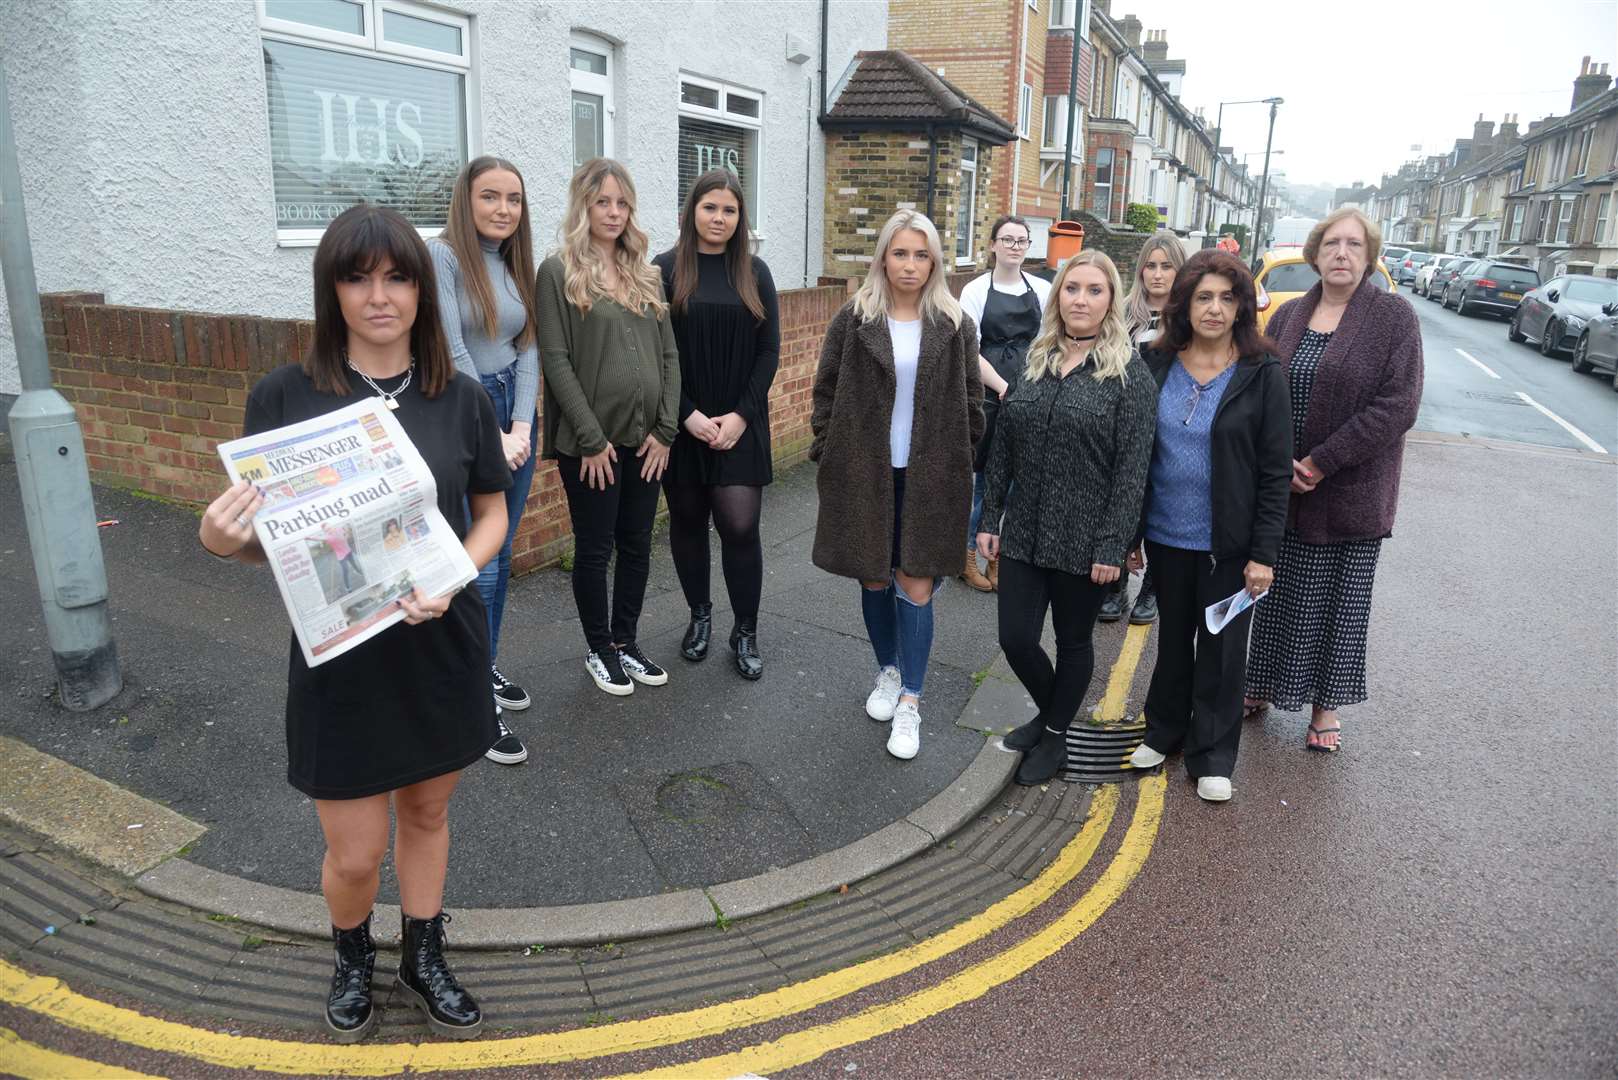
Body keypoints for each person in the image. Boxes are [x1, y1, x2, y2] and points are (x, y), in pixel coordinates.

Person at [198, 204, 508, 1042]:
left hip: (439, 642)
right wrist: (220, 541)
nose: (380, 296)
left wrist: (455, 573)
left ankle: (423, 953)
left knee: (429, 815)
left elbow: (490, 513)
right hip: (341, 660)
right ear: (330, 289)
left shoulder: (462, 397)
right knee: (354, 851)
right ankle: (350, 956)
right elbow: (273, 544)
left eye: (398, 276)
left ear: (422, 290)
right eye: (358, 276)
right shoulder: (286, 397)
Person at [1243, 207, 1423, 752]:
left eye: (1353, 245)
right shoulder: (1289, 314)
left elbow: (1399, 405)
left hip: (1351, 489)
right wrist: (1275, 464)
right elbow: (1261, 387)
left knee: (1338, 602)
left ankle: (1325, 706)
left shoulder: (1393, 317)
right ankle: (1259, 684)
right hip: (1284, 486)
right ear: (1315, 253)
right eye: (1331, 244)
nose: (1341, 254)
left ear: (1369, 257)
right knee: (1276, 592)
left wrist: (1322, 461)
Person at [810, 209, 983, 761]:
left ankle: (911, 698)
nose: (910, 265)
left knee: (916, 584)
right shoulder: (854, 318)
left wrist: (963, 457)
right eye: (900, 252)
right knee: (873, 579)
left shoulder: (955, 324)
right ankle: (888, 670)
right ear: (883, 256)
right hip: (864, 473)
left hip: (932, 475)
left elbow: (972, 403)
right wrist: (826, 451)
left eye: (922, 254)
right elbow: (825, 393)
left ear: (935, 261)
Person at [979, 250, 1157, 786]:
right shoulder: (1036, 361)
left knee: (1074, 642)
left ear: (1111, 300)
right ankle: (1052, 714)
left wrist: (1112, 547)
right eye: (1072, 288)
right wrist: (990, 516)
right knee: (1016, 638)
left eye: (1095, 290)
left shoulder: (1130, 377)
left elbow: (1133, 471)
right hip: (1024, 533)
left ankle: (1054, 736)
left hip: (1086, 543)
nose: (1081, 299)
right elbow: (1003, 446)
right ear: (1058, 298)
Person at [1125, 250, 1293, 803]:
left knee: (1221, 649)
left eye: (1226, 297)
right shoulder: (1155, 362)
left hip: (1230, 545)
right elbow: (1133, 456)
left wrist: (1263, 554)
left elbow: (1274, 473)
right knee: (1172, 642)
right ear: (1185, 304)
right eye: (1203, 297)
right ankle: (1164, 730)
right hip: (1167, 535)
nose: (1214, 309)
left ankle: (1213, 755)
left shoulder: (1262, 373)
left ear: (1242, 305)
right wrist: (1129, 535)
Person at [537, 158, 680, 697]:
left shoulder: (646, 273)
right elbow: (556, 360)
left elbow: (669, 355)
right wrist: (591, 440)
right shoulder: (557, 272)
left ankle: (626, 641)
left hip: (646, 442)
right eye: (603, 202)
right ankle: (599, 649)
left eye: (622, 203)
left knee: (638, 545)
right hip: (590, 446)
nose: (614, 213)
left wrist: (666, 430)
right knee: (595, 549)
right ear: (583, 206)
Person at [430, 155, 540, 764]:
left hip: (516, 417)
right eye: (490, 197)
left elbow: (528, 346)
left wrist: (522, 422)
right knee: (482, 565)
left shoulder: (516, 262)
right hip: (467, 414)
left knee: (503, 554)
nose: (503, 210)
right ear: (466, 200)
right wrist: (492, 432)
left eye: (514, 200)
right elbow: (449, 347)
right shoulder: (443, 257)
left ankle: (484, 665)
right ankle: (473, 696)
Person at [653, 170, 780, 680]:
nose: (719, 218)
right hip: (683, 421)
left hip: (740, 422)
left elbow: (769, 350)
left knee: (740, 526)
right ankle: (700, 616)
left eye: (729, 211)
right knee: (686, 522)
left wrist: (741, 416)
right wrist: (687, 414)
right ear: (691, 212)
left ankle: (744, 629)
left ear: (739, 218)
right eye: (710, 208)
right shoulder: (663, 270)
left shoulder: (756, 271)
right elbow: (655, 354)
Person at [956, 216, 1051, 593]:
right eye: (1007, 239)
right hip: (988, 398)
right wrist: (1003, 387)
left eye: (1021, 240)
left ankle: (995, 558)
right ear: (993, 245)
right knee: (983, 483)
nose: (1014, 246)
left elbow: (1048, 343)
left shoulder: (1042, 289)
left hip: (1028, 394)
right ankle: (966, 558)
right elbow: (969, 348)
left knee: (1014, 485)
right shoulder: (975, 290)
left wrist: (1030, 388)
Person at [1099, 231, 1185, 627]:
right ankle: (1114, 583)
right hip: (1126, 420)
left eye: (1166, 266)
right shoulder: (1121, 313)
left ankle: (1152, 585)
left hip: (1173, 423)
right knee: (1120, 498)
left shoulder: (1187, 317)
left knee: (1162, 503)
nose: (1157, 274)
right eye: (1150, 265)